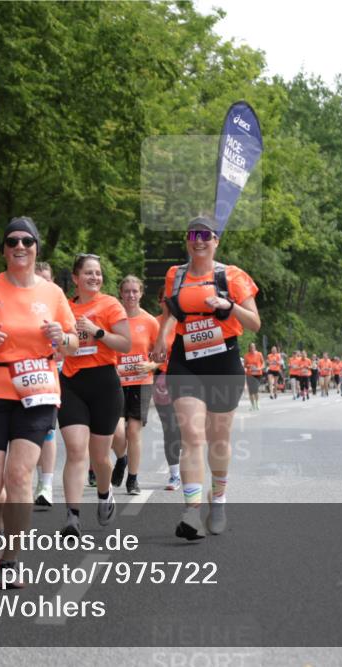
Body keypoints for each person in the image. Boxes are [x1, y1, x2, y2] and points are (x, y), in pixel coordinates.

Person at [0, 216, 76, 584]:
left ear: (37, 246)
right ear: (4, 249)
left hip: (37, 392)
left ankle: (11, 559)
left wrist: (62, 337)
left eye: (27, 241)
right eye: (12, 242)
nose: (20, 247)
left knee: (19, 474)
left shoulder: (52, 294)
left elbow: (73, 343)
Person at [153, 216, 260, 540]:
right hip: (186, 360)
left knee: (219, 438)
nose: (198, 240)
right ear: (187, 240)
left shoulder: (233, 276)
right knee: (191, 435)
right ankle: (192, 511)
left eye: (205, 235)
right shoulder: (176, 275)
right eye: (192, 235)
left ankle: (220, 500)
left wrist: (228, 306)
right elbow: (172, 312)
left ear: (216, 241)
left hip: (223, 361)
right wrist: (162, 337)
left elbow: (254, 323)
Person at [58, 254, 131, 538]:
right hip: (72, 383)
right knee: (76, 449)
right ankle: (72, 517)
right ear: (76, 278)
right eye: (88, 273)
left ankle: (104, 494)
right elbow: (58, 345)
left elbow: (125, 344)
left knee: (99, 456)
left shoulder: (110, 304)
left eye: (98, 273)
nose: (94, 278)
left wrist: (97, 331)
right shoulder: (63, 307)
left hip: (104, 384)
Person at [111, 275, 159, 494]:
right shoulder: (112, 319)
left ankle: (133, 479)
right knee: (115, 431)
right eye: (127, 291)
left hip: (141, 382)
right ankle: (122, 459)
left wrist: (150, 365)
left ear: (141, 293)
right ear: (121, 293)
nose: (130, 295)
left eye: (134, 291)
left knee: (133, 431)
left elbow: (162, 356)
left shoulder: (150, 322)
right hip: (116, 382)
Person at [33, 260, 58, 509]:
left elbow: (74, 340)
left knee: (49, 431)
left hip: (57, 376)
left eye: (46, 278)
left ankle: (46, 485)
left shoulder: (59, 303)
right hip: (26, 377)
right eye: (37, 278)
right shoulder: (19, 302)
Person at [153, 287, 182, 490]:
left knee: (187, 428)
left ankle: (189, 468)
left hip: (185, 380)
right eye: (165, 300)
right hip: (161, 379)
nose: (168, 303)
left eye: (172, 300)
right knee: (170, 428)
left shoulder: (184, 323)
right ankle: (174, 475)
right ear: (159, 302)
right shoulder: (153, 323)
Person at [243, 343, 265, 411]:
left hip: (258, 373)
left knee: (255, 389)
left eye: (253, 347)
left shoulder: (259, 354)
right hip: (249, 374)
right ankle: (252, 405)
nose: (252, 348)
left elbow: (263, 363)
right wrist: (249, 366)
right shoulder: (246, 355)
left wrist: (260, 368)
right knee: (251, 391)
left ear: (255, 347)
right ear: (249, 348)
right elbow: (245, 365)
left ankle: (257, 403)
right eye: (251, 347)